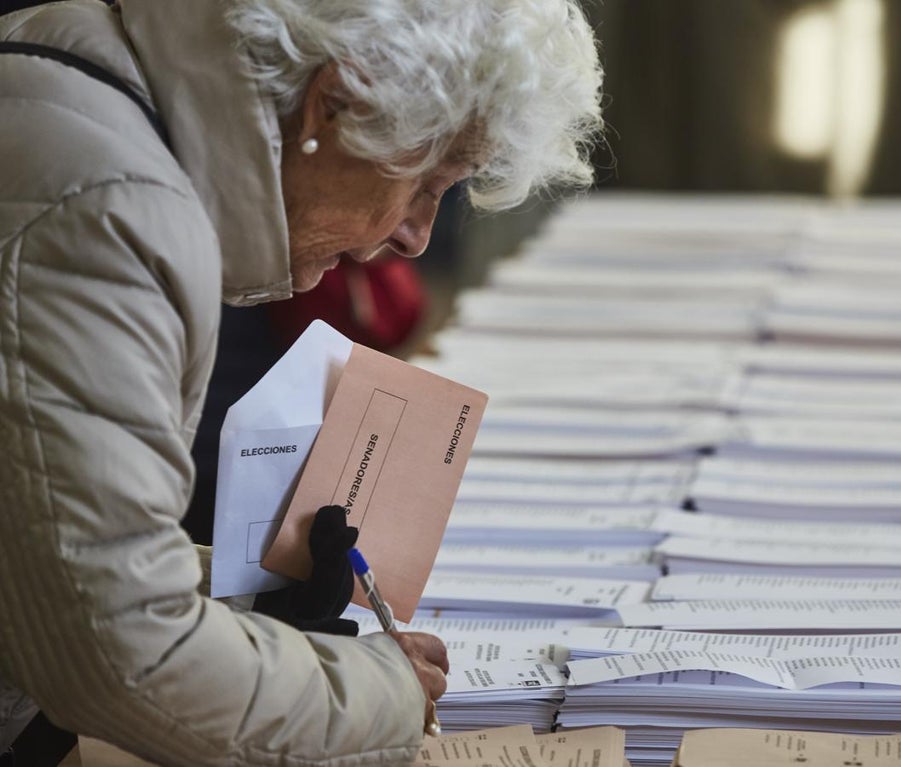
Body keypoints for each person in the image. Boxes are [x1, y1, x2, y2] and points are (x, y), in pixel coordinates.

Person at [0, 0, 603, 764]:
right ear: (333, 105)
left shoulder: (106, 109)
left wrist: (250, 602)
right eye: (427, 181)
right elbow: (118, 647)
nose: (416, 236)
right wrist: (385, 693)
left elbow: (43, 549)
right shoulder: (109, 206)